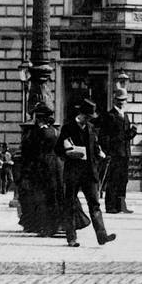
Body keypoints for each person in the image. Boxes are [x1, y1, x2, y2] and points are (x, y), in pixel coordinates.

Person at [56, 99, 116, 248]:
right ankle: (71, 238)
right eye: (88, 116)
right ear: (81, 114)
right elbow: (58, 149)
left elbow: (95, 147)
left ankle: (102, 236)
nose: (89, 119)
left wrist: (101, 153)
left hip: (89, 172)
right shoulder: (68, 127)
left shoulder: (91, 128)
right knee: (69, 204)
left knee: (95, 205)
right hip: (73, 172)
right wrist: (68, 153)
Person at [18, 103, 63, 237]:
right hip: (55, 165)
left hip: (42, 166)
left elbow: (30, 151)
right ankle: (58, 224)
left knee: (41, 197)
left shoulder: (39, 132)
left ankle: (44, 226)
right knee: (55, 195)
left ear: (39, 118)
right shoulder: (55, 131)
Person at [96, 87, 138, 214]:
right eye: (119, 100)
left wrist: (132, 133)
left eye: (123, 100)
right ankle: (110, 206)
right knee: (113, 180)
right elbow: (105, 136)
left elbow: (125, 136)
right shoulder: (110, 116)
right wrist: (107, 152)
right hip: (114, 153)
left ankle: (121, 206)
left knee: (123, 180)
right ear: (114, 100)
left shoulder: (124, 115)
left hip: (124, 153)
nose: (121, 102)